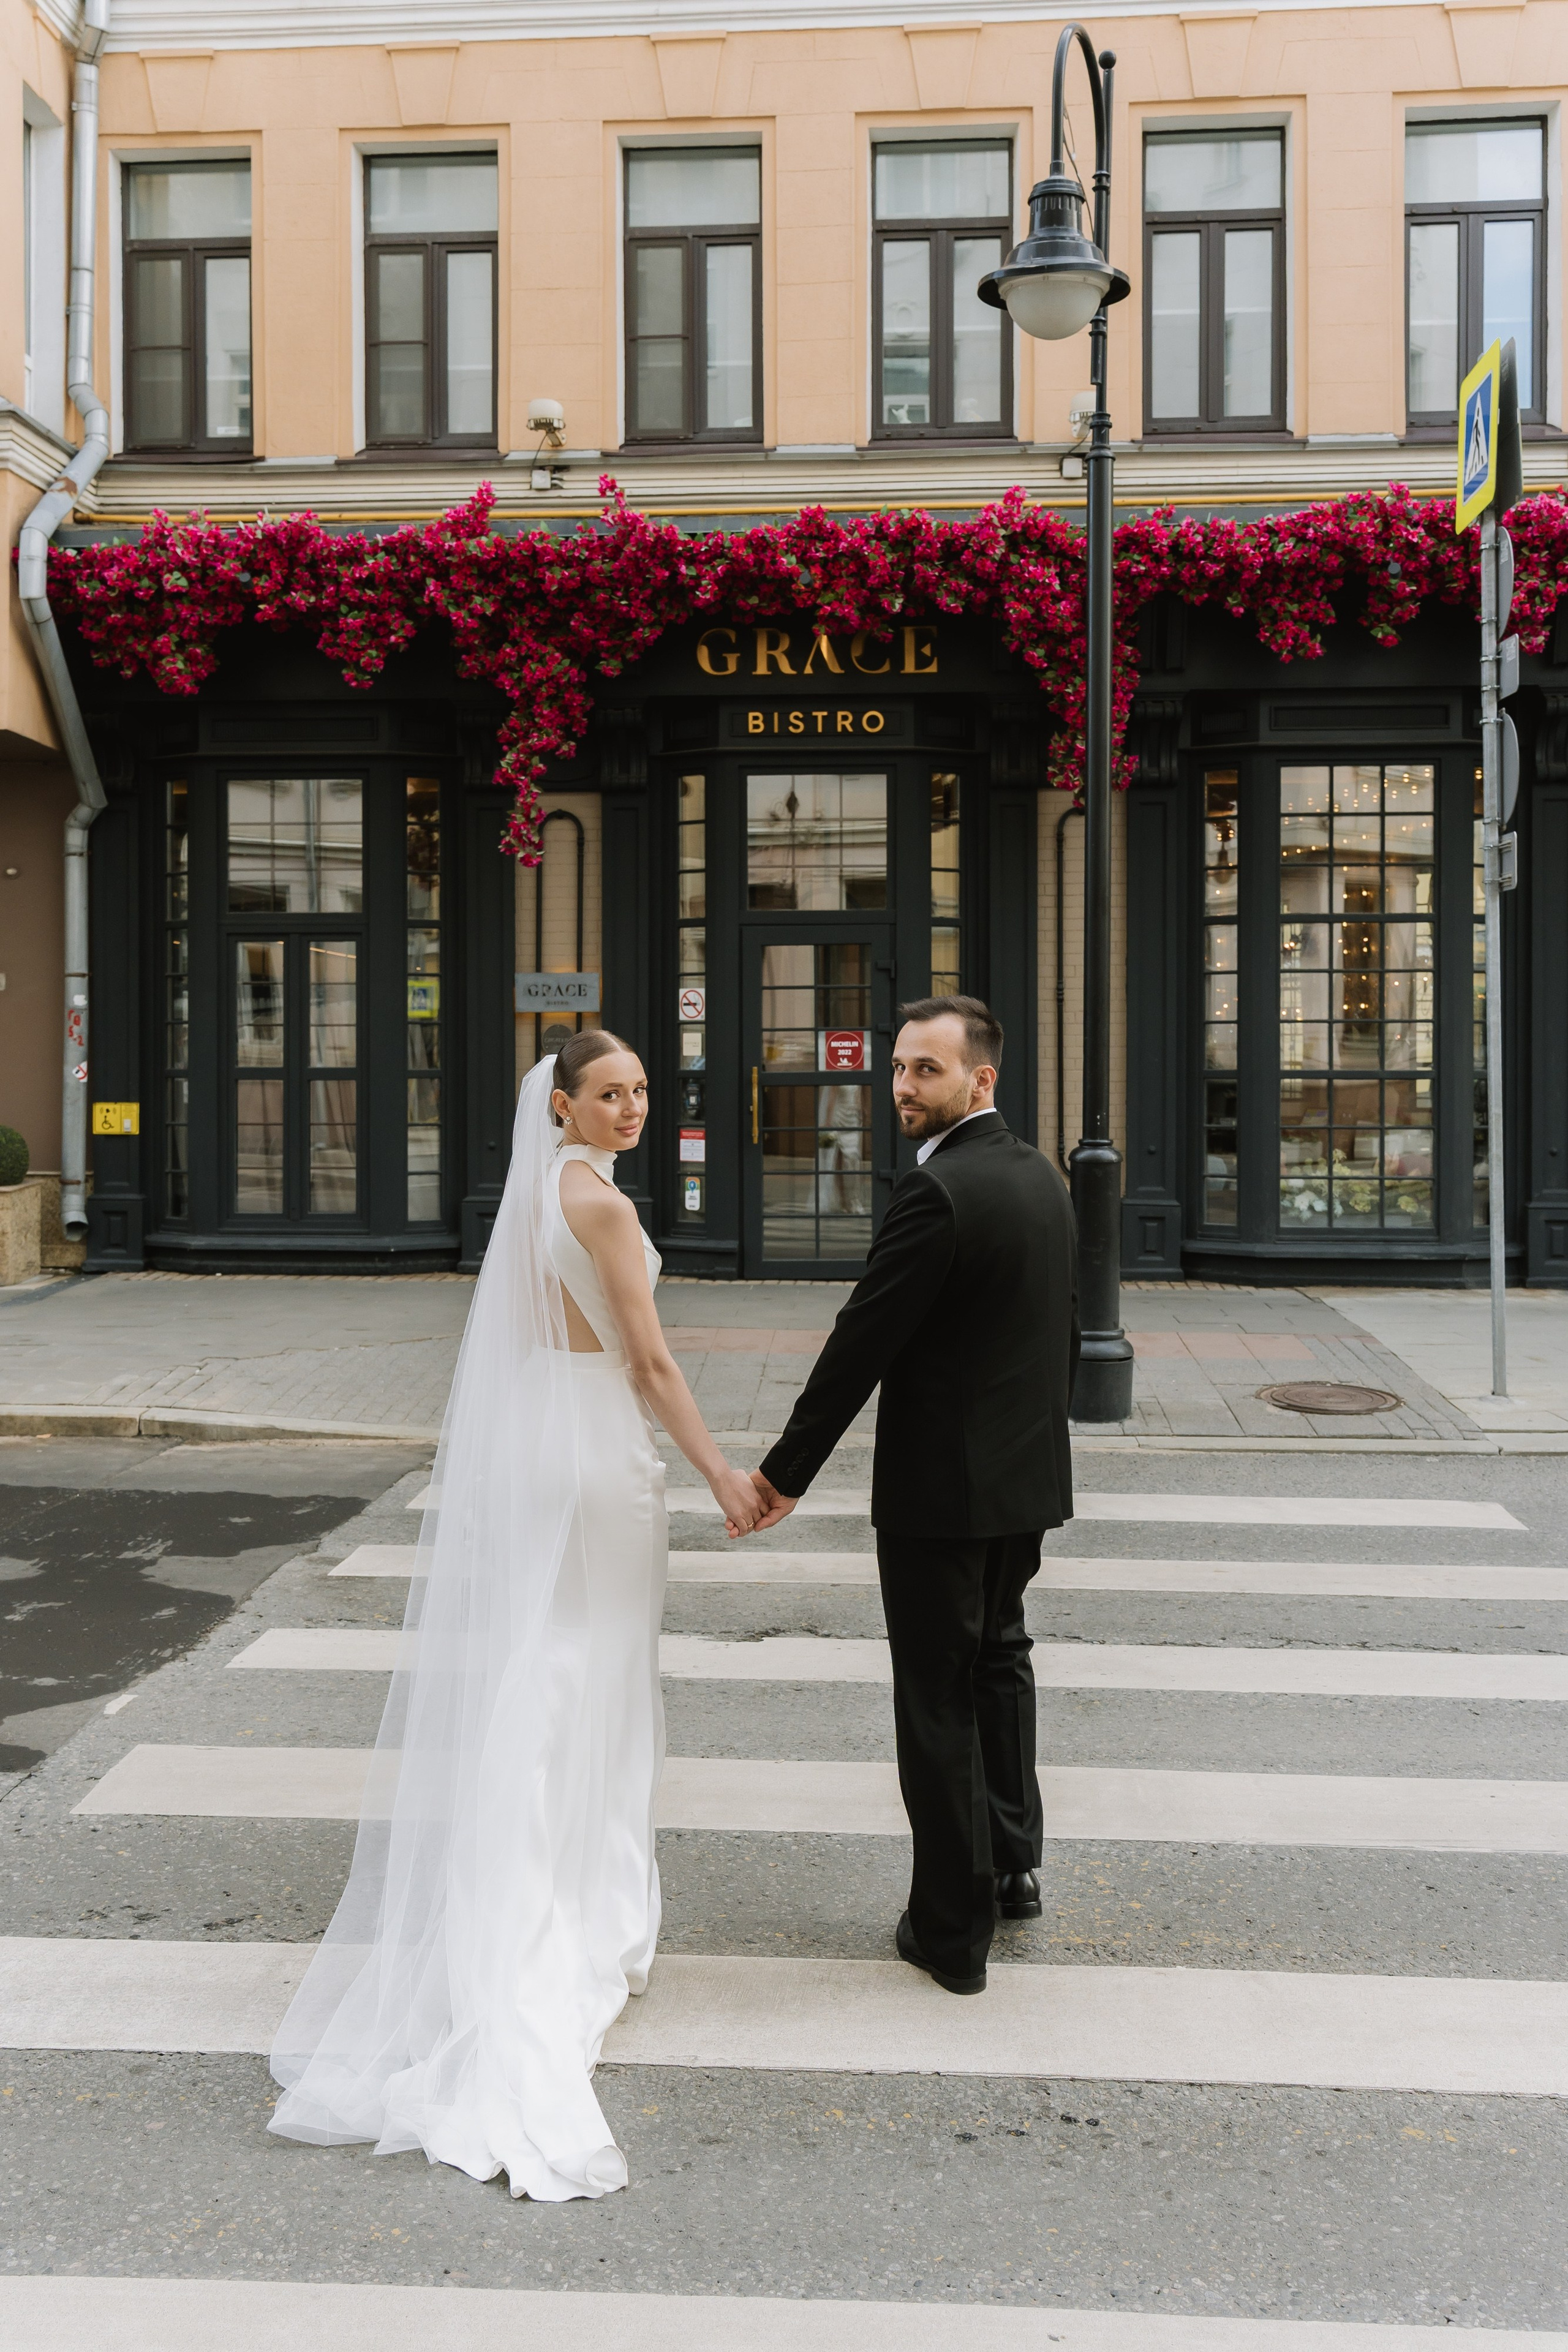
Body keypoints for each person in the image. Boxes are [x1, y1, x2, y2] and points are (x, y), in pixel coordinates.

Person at [270, 1033, 762, 2200]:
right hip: (594, 1446)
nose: (633, 1107)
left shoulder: (539, 1189)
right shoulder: (593, 1204)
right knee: (586, 1676)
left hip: (539, 1435)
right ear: (567, 1106)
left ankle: (530, 1889)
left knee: (545, 1664)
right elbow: (648, 1364)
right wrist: (721, 1474)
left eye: (643, 1091)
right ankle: (561, 1908)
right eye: (611, 1094)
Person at [750, 997, 1079, 1996]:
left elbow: (863, 1342)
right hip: (1022, 1480)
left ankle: (950, 1930)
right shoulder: (1041, 1178)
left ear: (982, 1080)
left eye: (925, 1071)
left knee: (937, 1696)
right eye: (897, 1067)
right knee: (999, 1665)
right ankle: (1013, 1866)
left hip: (943, 1493)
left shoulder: (937, 1195)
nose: (901, 1086)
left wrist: (781, 1474)